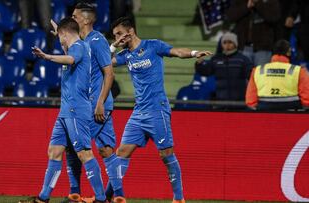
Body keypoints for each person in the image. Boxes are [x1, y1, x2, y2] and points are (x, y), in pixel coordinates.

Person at [108, 17, 212, 203]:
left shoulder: (153, 46)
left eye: (119, 34)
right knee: (121, 152)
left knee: (166, 154)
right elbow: (104, 62)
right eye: (114, 35)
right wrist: (113, 46)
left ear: (130, 31)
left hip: (157, 110)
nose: (117, 38)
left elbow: (177, 51)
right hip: (138, 113)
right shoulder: (125, 55)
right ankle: (105, 197)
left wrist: (194, 52)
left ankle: (178, 199)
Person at [18, 17, 107, 203]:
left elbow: (70, 58)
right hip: (66, 111)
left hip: (76, 109)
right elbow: (68, 50)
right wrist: (60, 29)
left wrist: (47, 56)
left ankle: (101, 198)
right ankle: (43, 198)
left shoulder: (80, 47)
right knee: (54, 151)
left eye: (60, 37)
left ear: (65, 34)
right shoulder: (74, 46)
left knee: (84, 153)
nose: (60, 41)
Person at [51, 3, 125, 203]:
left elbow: (109, 73)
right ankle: (117, 196)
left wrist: (100, 102)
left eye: (74, 16)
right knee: (106, 150)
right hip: (94, 104)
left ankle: (77, 193)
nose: (71, 18)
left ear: (86, 19)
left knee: (76, 147)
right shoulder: (81, 42)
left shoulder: (97, 40)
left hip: (95, 105)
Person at [246, 39, 309, 110]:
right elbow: (306, 96)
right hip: (291, 108)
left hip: (264, 107)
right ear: (288, 52)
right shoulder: (299, 70)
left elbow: (250, 99)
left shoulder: (258, 70)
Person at [195, 32, 253, 109]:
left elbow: (251, 75)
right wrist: (199, 64)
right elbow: (206, 71)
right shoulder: (216, 59)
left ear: (235, 44)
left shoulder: (243, 59)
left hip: (239, 102)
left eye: (230, 42)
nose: (227, 45)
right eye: (224, 42)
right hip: (221, 101)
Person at [226, 0, 281, 66]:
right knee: (243, 76)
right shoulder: (239, 1)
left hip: (263, 49)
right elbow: (230, 17)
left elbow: (274, 17)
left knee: (261, 75)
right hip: (243, 47)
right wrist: (247, 6)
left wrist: (257, 4)